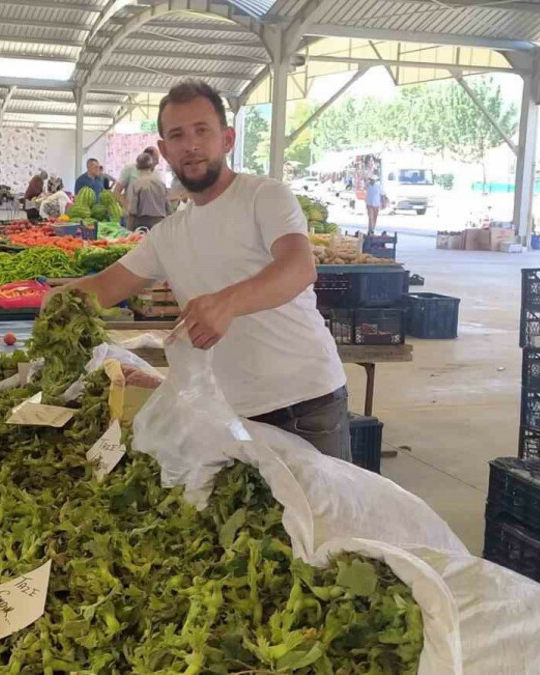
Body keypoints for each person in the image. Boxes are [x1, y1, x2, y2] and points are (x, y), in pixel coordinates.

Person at [58, 80, 349, 459]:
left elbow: (299, 267)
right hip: (229, 415)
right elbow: (106, 287)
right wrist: (52, 302)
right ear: (164, 150)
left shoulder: (265, 196)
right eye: (177, 135)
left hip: (305, 405)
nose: (191, 144)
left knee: (318, 501)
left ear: (227, 139)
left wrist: (227, 303)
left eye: (202, 131)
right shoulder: (169, 233)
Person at [125, 152, 167, 230]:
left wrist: (129, 229)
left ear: (137, 166)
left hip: (143, 223)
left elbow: (133, 210)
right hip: (160, 222)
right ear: (151, 166)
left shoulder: (137, 184)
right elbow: (168, 205)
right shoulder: (160, 183)